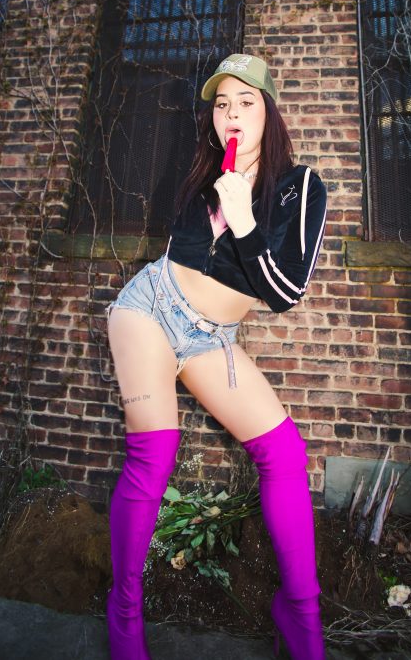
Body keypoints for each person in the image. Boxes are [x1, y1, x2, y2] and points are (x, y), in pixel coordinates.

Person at [105, 54, 328, 660]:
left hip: (212, 339)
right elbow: (184, 259)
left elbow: (284, 293)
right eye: (222, 104)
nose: (231, 113)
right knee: (155, 452)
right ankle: (124, 613)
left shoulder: (300, 187)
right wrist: (223, 199)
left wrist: (246, 220)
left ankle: (301, 614)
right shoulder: (203, 174)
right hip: (150, 308)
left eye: (246, 102)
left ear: (269, 113)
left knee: (284, 453)